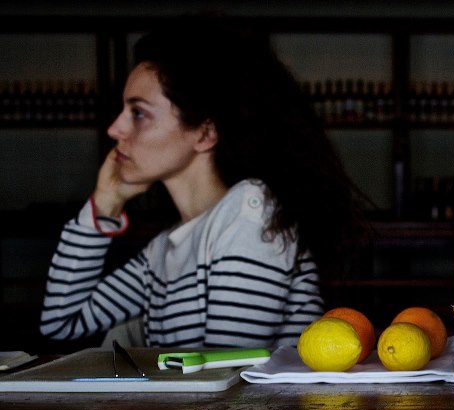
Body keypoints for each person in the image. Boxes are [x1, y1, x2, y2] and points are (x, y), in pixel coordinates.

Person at [40, 16, 366, 348]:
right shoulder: (165, 249)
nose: (115, 129)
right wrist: (105, 203)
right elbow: (61, 322)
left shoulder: (250, 213)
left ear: (205, 133)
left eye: (138, 113)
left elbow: (225, 371)